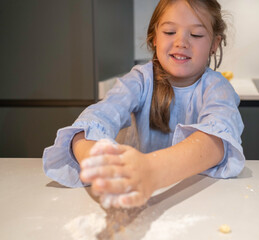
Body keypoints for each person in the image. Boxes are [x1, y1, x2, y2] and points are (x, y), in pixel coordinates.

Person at [43, 0, 245, 209]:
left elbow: (217, 142)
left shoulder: (217, 89)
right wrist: (100, 165)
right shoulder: (140, 80)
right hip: (140, 198)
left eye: (196, 35)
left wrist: (151, 170)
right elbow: (91, 123)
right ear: (154, 38)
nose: (181, 42)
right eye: (169, 32)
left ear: (214, 43)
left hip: (199, 200)